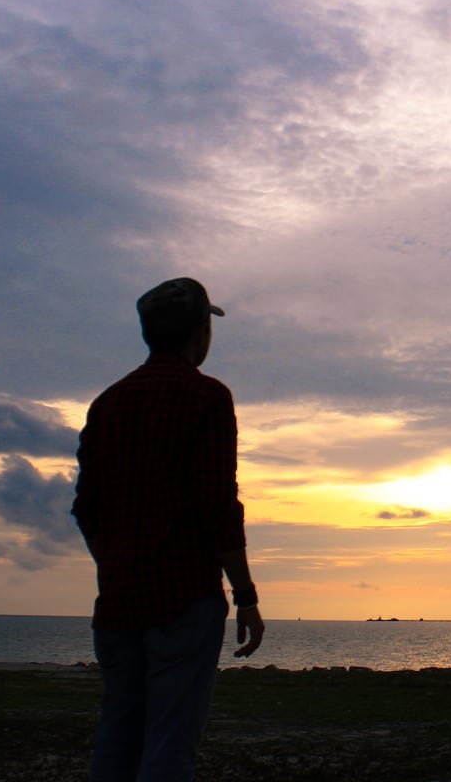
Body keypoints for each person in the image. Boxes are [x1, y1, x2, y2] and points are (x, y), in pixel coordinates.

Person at [72, 277, 264, 781]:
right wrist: (245, 594)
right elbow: (218, 505)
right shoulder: (207, 398)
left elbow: (86, 509)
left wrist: (115, 564)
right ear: (202, 331)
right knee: (169, 745)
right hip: (183, 600)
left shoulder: (107, 404)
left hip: (117, 601)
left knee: (116, 740)